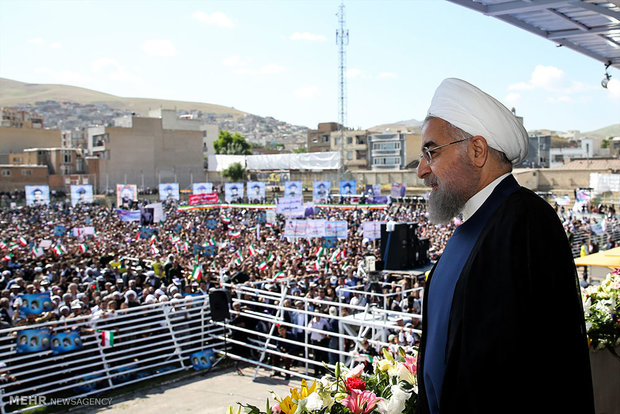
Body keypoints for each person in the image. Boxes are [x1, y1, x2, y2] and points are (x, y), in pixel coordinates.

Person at [415, 78, 594, 414]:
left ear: (477, 151)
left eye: (431, 151)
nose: (422, 170)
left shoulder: (526, 222)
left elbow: (551, 363)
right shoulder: (473, 221)